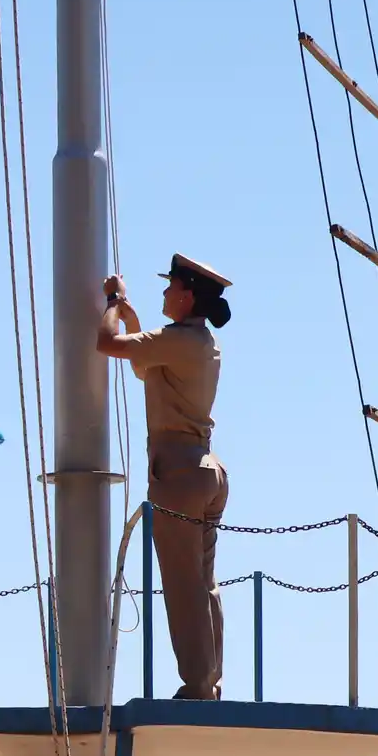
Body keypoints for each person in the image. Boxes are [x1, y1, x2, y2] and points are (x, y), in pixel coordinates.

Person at [95, 253, 232, 700]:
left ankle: (196, 684)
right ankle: (210, 679)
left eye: (171, 286)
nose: (165, 293)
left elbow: (108, 344)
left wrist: (113, 300)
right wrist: (127, 308)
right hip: (204, 468)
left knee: (181, 585)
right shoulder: (196, 341)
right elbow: (142, 356)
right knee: (203, 583)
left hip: (177, 470)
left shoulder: (177, 340)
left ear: (188, 294)